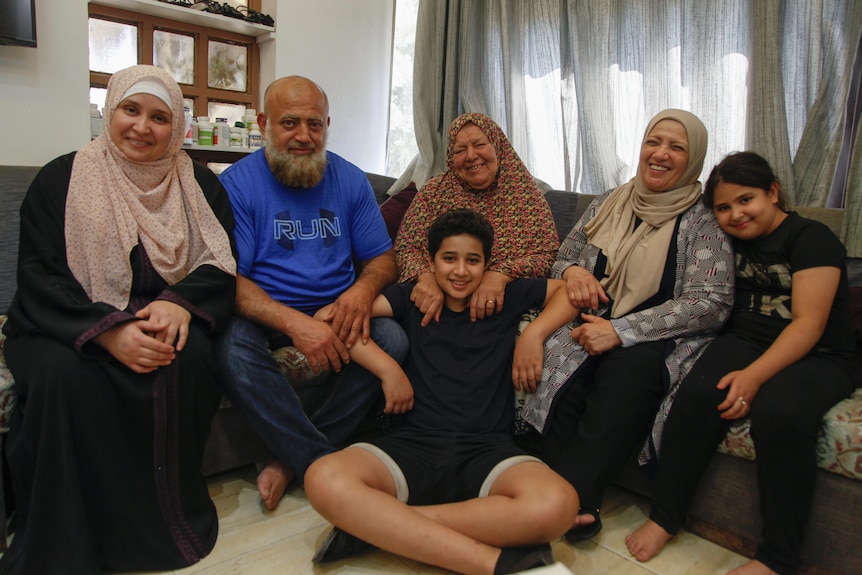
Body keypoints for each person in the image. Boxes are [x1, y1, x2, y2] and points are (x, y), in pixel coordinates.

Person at [0, 65, 237, 574]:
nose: (142, 127)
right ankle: (68, 535)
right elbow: (40, 276)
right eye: (131, 110)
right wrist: (107, 333)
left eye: (159, 117)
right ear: (111, 111)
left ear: (175, 130)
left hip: (160, 313)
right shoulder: (61, 178)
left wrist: (179, 302)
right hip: (63, 320)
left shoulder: (196, 182)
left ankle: (163, 522)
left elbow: (220, 262)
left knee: (189, 355)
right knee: (66, 377)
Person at [304, 209, 579, 575]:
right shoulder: (409, 298)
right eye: (449, 259)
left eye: (473, 260)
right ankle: (493, 564)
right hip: (410, 446)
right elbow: (327, 317)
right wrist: (388, 370)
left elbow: (567, 294)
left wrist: (533, 334)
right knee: (322, 477)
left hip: (487, 450)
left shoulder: (506, 297)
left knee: (559, 504)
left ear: (487, 265)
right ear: (431, 264)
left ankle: (375, 529)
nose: (461, 271)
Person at [625, 152, 856, 575]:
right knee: (695, 395)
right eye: (724, 207)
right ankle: (665, 516)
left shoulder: (812, 238)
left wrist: (753, 378)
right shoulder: (726, 241)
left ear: (773, 192)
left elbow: (809, 324)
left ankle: (776, 558)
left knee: (780, 414)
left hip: (820, 353)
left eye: (746, 200)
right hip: (747, 338)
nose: (735, 215)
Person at [519, 109, 735, 542]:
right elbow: (565, 257)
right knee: (567, 358)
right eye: (654, 142)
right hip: (590, 317)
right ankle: (538, 476)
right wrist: (574, 275)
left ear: (694, 161)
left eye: (677, 147)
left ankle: (579, 499)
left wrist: (621, 331)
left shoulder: (703, 216)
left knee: (626, 371)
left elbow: (710, 301)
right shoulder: (611, 200)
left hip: (659, 335)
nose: (660, 154)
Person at [216, 75, 407, 510]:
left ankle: (285, 461)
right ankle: (317, 461)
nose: (304, 136)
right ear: (264, 123)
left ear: (327, 125)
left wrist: (360, 294)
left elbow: (382, 260)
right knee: (229, 349)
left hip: (336, 310)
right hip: (263, 315)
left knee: (394, 340)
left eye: (315, 124)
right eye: (289, 123)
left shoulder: (350, 179)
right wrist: (294, 323)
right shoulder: (237, 184)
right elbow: (229, 279)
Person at [395, 112, 559, 325]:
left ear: (497, 145)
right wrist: (425, 277)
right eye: (460, 150)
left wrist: (500, 274)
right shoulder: (434, 192)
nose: (471, 155)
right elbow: (405, 248)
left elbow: (548, 256)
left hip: (504, 311)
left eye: (479, 144)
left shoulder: (525, 193)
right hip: (435, 309)